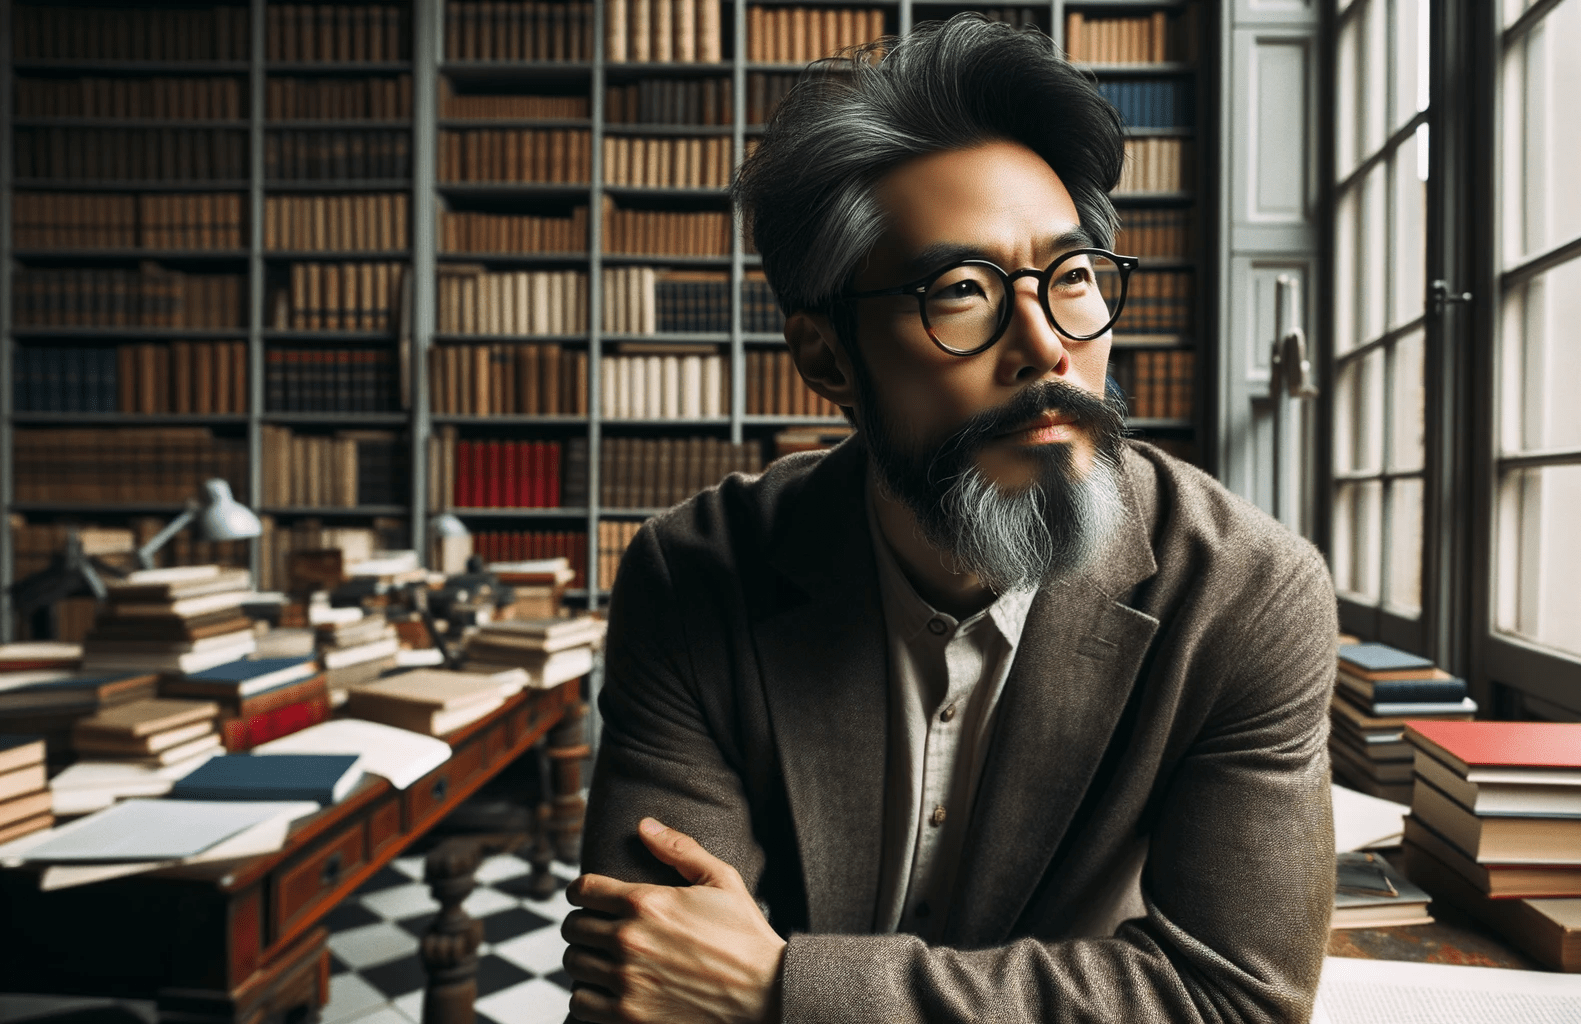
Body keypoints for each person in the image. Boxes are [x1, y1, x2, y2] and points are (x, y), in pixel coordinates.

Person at [560, 14, 1337, 1023]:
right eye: (961, 291)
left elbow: (1231, 999)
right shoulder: (697, 571)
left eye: (1072, 279)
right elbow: (645, 982)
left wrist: (778, 989)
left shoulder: (1244, 594)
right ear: (827, 358)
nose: (1045, 347)